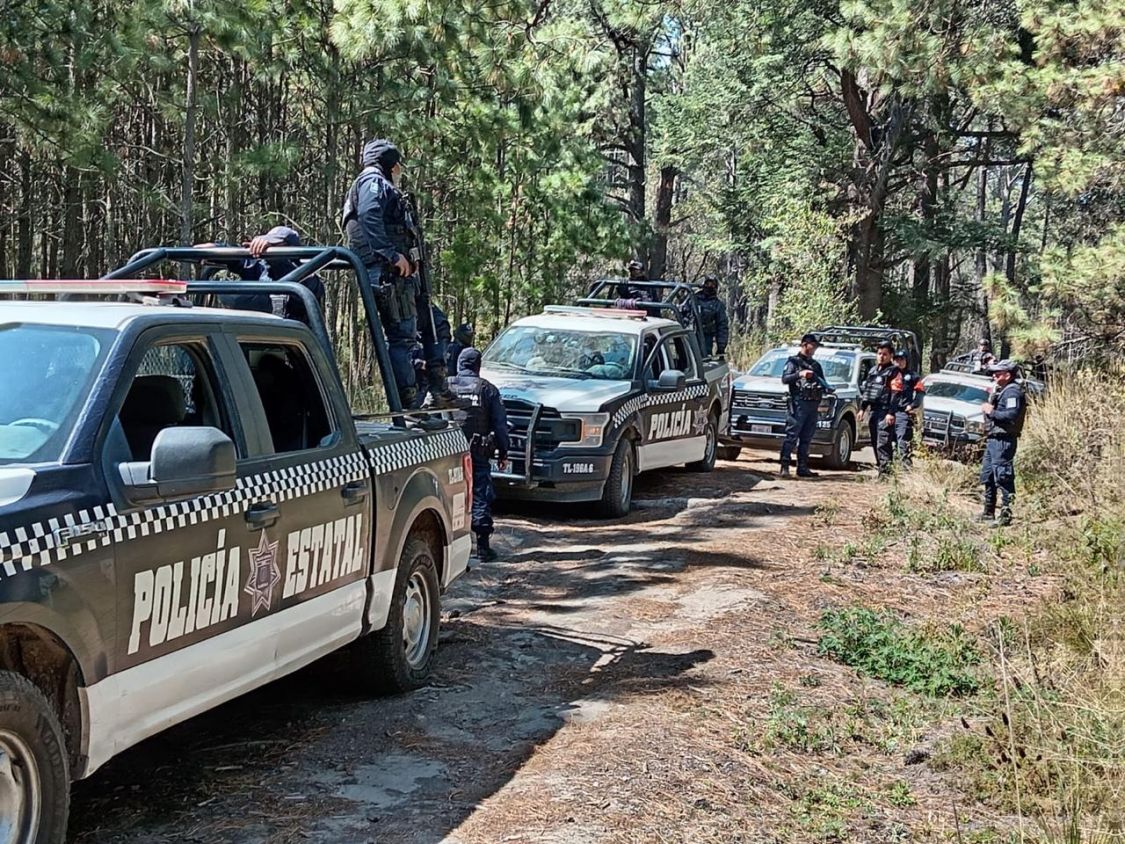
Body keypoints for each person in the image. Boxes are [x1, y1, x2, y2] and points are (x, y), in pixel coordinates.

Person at [342, 138, 451, 409]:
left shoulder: (379, 184)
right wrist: (391, 255)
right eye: (398, 164)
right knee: (402, 338)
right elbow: (368, 215)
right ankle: (408, 403)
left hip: (401, 277)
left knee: (435, 324)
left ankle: (437, 389)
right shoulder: (372, 183)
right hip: (387, 275)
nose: (400, 169)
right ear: (391, 164)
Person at [449, 348, 510, 562]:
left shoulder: (446, 386)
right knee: (480, 495)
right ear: (477, 366)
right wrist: (504, 452)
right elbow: (500, 425)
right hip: (477, 453)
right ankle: (482, 548)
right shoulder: (487, 389)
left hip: (447, 452)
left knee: (448, 496)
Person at [202, 226, 325, 323]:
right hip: (254, 338)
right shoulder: (260, 268)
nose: (266, 250)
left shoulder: (309, 279)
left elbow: (290, 272)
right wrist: (216, 249)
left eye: (275, 245)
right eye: (267, 246)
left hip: (290, 347)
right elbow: (239, 261)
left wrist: (273, 253)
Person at [979, 359, 1027, 526]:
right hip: (993, 439)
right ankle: (988, 512)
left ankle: (1005, 515)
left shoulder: (1013, 392)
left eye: (998, 373)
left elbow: (1011, 416)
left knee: (1003, 476)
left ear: (1007, 374)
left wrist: (991, 411)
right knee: (988, 476)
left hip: (1003, 441)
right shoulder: (1002, 390)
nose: (994, 375)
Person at [779, 333, 834, 478]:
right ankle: (784, 466)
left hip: (812, 404)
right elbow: (785, 379)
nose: (815, 349)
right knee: (792, 436)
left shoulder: (816, 366)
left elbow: (823, 382)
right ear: (804, 345)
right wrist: (800, 374)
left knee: (807, 437)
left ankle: (802, 467)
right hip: (798, 403)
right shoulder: (793, 362)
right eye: (813, 345)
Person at [858, 340, 903, 478]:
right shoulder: (873, 371)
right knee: (874, 442)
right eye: (879, 353)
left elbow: (896, 393)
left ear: (891, 355)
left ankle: (886, 474)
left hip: (885, 412)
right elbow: (868, 391)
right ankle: (881, 470)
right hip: (873, 411)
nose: (881, 356)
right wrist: (862, 409)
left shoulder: (894, 372)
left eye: (885, 354)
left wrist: (891, 413)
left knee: (883, 443)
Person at [892, 350, 924, 469]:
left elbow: (920, 393)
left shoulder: (913, 376)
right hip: (888, 412)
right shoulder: (889, 374)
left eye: (902, 359)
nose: (899, 362)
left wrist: (912, 405)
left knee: (902, 440)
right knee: (887, 439)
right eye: (897, 359)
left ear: (906, 361)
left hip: (902, 413)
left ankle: (905, 467)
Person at [696, 275, 730, 358]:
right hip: (689, 337)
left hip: (706, 340)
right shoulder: (692, 300)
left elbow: (722, 326)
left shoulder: (717, 305)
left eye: (712, 284)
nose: (710, 287)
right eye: (708, 284)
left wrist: (721, 347)